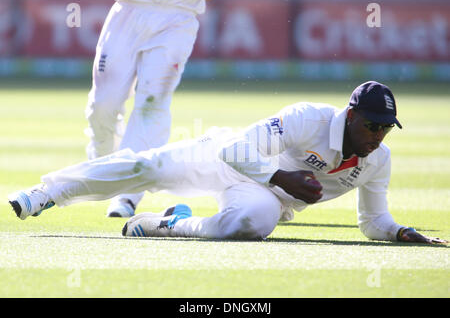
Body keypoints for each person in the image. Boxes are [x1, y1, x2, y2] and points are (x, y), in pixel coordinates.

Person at [8, 81, 447, 244]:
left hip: (265, 197)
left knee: (248, 227)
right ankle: (47, 192)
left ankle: (165, 224)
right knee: (143, 168)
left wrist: (398, 231)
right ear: (351, 116)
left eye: (386, 128)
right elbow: (236, 149)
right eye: (373, 126)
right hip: (228, 159)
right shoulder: (306, 118)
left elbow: (372, 220)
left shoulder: (377, 160)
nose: (378, 136)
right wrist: (281, 176)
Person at [85, 0, 212, 218]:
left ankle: (127, 194)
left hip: (178, 17)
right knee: (104, 104)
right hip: (128, 10)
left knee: (152, 105)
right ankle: (102, 159)